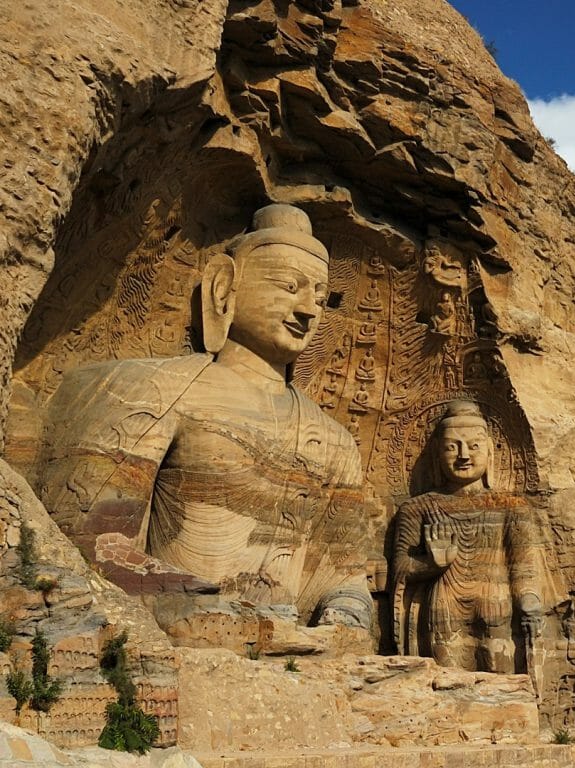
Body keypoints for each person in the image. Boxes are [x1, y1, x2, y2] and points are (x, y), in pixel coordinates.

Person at [36, 204, 371, 629]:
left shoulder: (335, 440)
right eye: (289, 287)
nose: (308, 310)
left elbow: (343, 574)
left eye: (321, 299)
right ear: (224, 286)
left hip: (292, 641)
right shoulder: (158, 390)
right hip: (176, 632)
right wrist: (194, 603)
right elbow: (92, 543)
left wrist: (346, 615)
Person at [390, 400, 543, 673]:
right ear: (436, 455)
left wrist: (530, 601)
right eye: (452, 447)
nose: (463, 455)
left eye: (474, 446)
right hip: (443, 611)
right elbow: (400, 567)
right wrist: (430, 564)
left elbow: (524, 566)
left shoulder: (511, 507)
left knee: (503, 686)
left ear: (489, 452)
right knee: (447, 684)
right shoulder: (418, 508)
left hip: (496, 607)